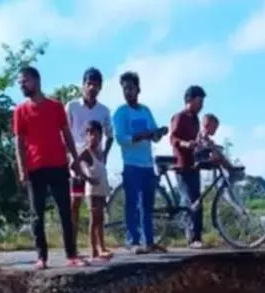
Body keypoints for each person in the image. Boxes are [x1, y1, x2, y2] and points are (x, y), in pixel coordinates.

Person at [13, 66, 85, 270]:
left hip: (59, 164)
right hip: (35, 167)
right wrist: (21, 168)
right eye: (20, 82)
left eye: (25, 81)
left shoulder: (55, 106)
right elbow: (19, 142)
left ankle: (71, 255)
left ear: (36, 81)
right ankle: (41, 257)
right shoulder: (20, 111)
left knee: (65, 211)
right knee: (37, 214)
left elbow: (67, 134)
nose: (22, 85)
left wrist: (76, 161)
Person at [113, 71, 168, 254]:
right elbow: (121, 138)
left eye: (131, 88)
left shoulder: (145, 111)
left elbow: (153, 135)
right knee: (132, 204)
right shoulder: (121, 113)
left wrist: (158, 133)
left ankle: (149, 241)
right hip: (131, 165)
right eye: (125, 89)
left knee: (147, 205)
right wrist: (142, 135)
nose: (128, 92)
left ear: (138, 89)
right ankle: (133, 241)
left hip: (147, 164)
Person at [65, 68, 113, 249]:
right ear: (83, 85)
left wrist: (105, 156)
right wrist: (68, 157)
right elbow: (64, 132)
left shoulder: (104, 111)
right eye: (89, 84)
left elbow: (110, 135)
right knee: (74, 203)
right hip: (77, 159)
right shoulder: (72, 106)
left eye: (96, 84)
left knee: (96, 206)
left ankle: (98, 246)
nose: (92, 87)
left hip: (96, 162)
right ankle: (72, 246)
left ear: (100, 87)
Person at [169, 85, 206, 249]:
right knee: (191, 201)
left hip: (194, 164)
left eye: (202, 102)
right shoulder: (180, 117)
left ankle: (198, 237)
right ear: (189, 100)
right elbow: (173, 138)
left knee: (198, 201)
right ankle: (191, 239)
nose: (201, 105)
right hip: (182, 164)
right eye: (199, 101)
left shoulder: (195, 119)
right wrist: (186, 144)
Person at [79, 120, 111, 262]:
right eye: (90, 133)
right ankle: (92, 249)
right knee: (94, 218)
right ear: (86, 135)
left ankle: (102, 247)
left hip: (102, 189)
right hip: (92, 190)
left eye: (96, 134)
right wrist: (87, 178)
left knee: (100, 219)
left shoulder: (101, 153)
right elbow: (74, 165)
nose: (93, 137)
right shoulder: (86, 153)